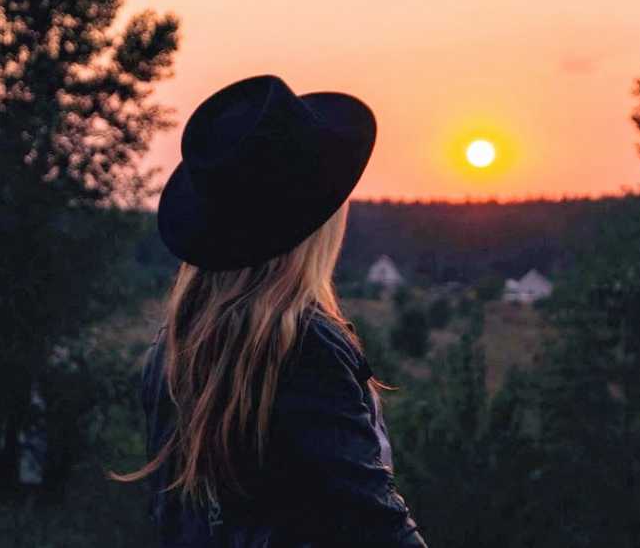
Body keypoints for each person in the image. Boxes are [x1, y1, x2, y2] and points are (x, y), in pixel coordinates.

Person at [110, 74, 428, 547]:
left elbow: (176, 523)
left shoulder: (172, 350)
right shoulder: (302, 346)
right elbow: (374, 523)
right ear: (316, 221)